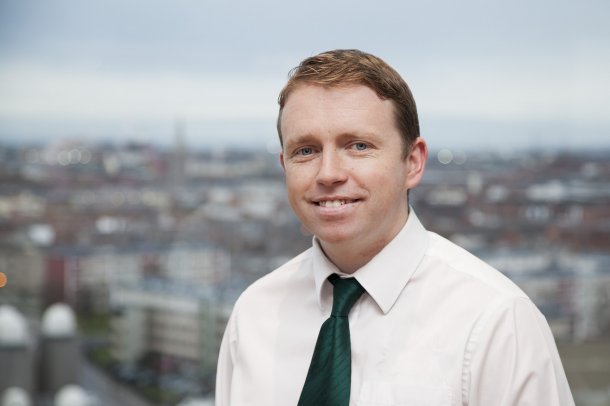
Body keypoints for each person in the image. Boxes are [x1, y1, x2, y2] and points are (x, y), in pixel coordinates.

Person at [215, 49, 574, 405]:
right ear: (284, 164)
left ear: (413, 163)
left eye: (358, 146)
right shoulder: (254, 316)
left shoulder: (496, 322)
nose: (328, 174)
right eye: (306, 151)